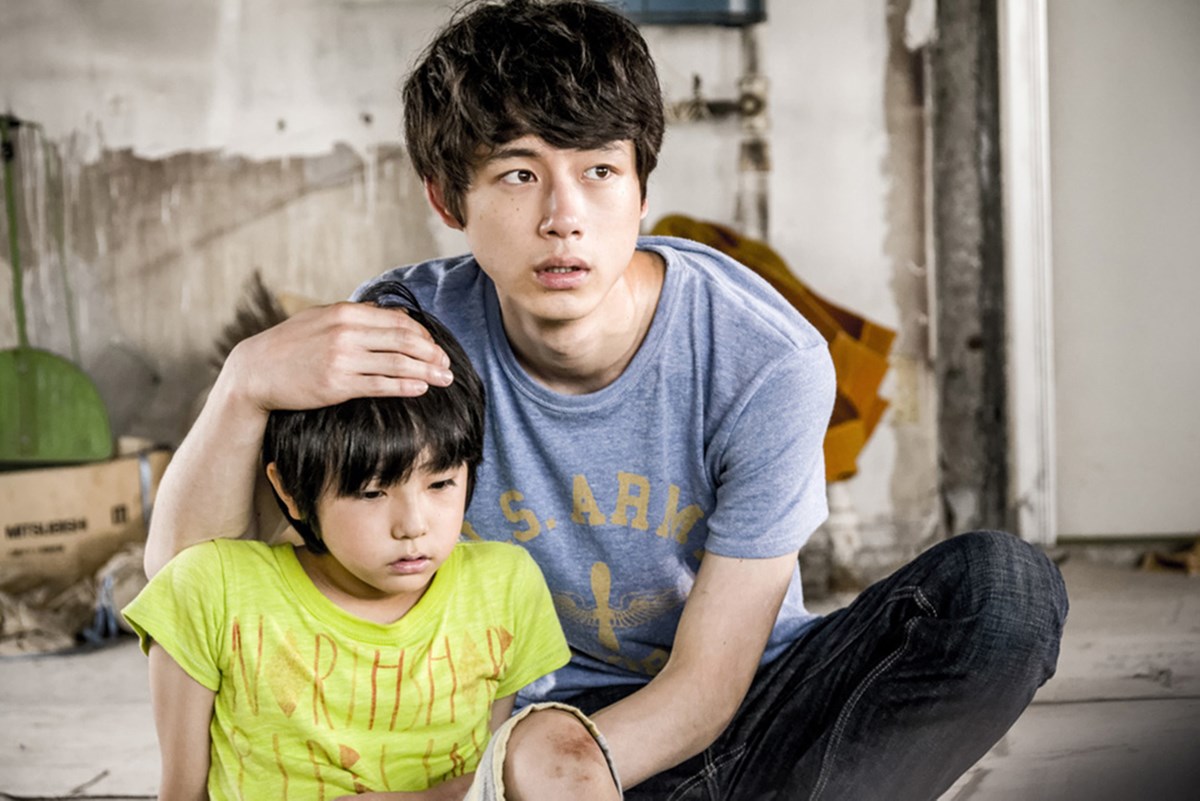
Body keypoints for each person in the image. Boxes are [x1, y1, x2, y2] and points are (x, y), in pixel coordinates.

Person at [144, 1, 1069, 798]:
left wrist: (578, 764)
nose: (564, 217)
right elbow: (190, 595)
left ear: (641, 188)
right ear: (447, 197)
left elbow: (709, 682)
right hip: (510, 732)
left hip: (745, 709)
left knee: (1004, 591)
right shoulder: (410, 337)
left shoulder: (762, 356)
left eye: (598, 170)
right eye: (518, 173)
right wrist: (242, 387)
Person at [125, 283, 622, 801]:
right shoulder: (212, 590)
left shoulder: (504, 586)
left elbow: (483, 782)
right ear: (291, 491)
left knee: (553, 736)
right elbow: (181, 793)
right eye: (370, 492)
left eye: (440, 483)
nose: (413, 525)